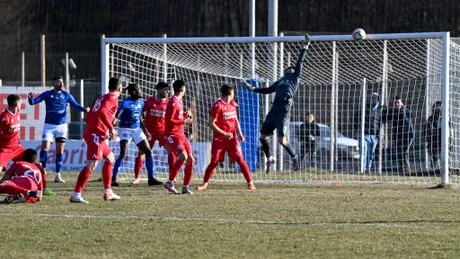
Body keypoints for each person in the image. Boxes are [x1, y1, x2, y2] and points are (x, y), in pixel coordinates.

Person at [241, 34, 309, 173]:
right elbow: (267, 89)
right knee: (262, 137)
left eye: (292, 68)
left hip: (284, 110)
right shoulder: (280, 81)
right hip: (274, 109)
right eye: (288, 68)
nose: (291, 69)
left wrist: (305, 46)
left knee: (281, 140)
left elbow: (299, 62)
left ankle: (295, 157)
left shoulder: (294, 77)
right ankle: (270, 158)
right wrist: (252, 88)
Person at [70, 77, 123, 203]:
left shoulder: (102, 97)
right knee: (92, 164)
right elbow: (102, 113)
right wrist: (111, 129)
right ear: (119, 89)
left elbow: (89, 116)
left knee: (110, 158)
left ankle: (108, 192)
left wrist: (98, 129)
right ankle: (76, 194)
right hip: (96, 134)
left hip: (95, 132)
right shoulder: (113, 98)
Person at [28, 75, 90, 183]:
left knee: (60, 149)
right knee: (45, 148)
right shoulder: (47, 94)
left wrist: (85, 109)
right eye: (58, 82)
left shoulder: (66, 95)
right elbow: (33, 102)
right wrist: (30, 99)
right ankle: (43, 172)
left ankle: (58, 175)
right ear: (53, 83)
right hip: (49, 126)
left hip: (61, 126)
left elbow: (76, 105)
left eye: (61, 82)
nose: (60, 84)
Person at [196, 84, 255, 191]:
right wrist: (224, 133)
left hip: (232, 140)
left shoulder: (232, 104)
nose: (234, 95)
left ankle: (250, 183)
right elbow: (211, 123)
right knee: (214, 162)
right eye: (233, 93)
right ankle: (204, 184)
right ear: (229, 94)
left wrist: (240, 133)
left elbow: (235, 120)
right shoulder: (217, 106)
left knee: (240, 160)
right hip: (220, 140)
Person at [0, 94, 55, 196]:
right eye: (20, 103)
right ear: (16, 104)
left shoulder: (17, 113)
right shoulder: (4, 118)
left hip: (17, 148)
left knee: (37, 165)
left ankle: (44, 188)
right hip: (5, 149)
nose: (22, 105)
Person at [111, 83, 163, 186]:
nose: (141, 91)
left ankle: (151, 178)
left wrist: (146, 131)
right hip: (125, 129)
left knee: (148, 151)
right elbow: (117, 115)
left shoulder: (141, 102)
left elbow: (139, 117)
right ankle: (113, 178)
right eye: (140, 89)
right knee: (123, 153)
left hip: (136, 129)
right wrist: (112, 125)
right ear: (134, 92)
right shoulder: (125, 102)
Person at [134, 82, 174, 185]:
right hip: (149, 132)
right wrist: (142, 129)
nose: (167, 92)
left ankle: (172, 176)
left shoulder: (169, 103)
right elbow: (138, 114)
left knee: (171, 150)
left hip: (162, 132)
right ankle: (137, 177)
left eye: (168, 90)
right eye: (165, 89)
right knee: (141, 154)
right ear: (159, 90)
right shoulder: (149, 102)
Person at [162, 80, 194, 194]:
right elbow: (169, 120)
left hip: (181, 134)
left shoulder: (179, 101)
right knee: (183, 156)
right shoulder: (173, 102)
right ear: (182, 90)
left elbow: (177, 116)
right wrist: (183, 121)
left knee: (191, 160)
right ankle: (170, 182)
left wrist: (185, 114)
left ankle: (185, 187)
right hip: (172, 134)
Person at [355, 93, 385, 172]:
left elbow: (381, 124)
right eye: (373, 98)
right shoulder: (364, 109)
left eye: (376, 98)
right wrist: (357, 131)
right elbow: (357, 119)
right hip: (364, 134)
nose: (374, 100)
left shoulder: (380, 111)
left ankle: (368, 169)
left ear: (378, 100)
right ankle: (362, 169)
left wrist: (379, 135)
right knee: (363, 151)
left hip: (374, 136)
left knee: (370, 154)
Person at [389, 96, 415, 174]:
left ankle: (406, 169)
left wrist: (402, 113)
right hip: (397, 135)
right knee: (399, 152)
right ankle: (401, 168)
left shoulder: (407, 111)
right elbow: (388, 119)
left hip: (407, 135)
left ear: (401, 103)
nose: (397, 104)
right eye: (395, 103)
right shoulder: (393, 112)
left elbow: (408, 123)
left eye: (398, 102)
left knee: (405, 152)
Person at [425, 101, 442, 169]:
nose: (437, 108)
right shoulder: (430, 119)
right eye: (435, 106)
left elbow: (450, 130)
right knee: (434, 158)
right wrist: (428, 139)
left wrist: (450, 142)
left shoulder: (445, 118)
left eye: (438, 106)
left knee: (442, 157)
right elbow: (426, 130)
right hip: (433, 141)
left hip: (442, 142)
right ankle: (433, 171)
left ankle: (443, 171)